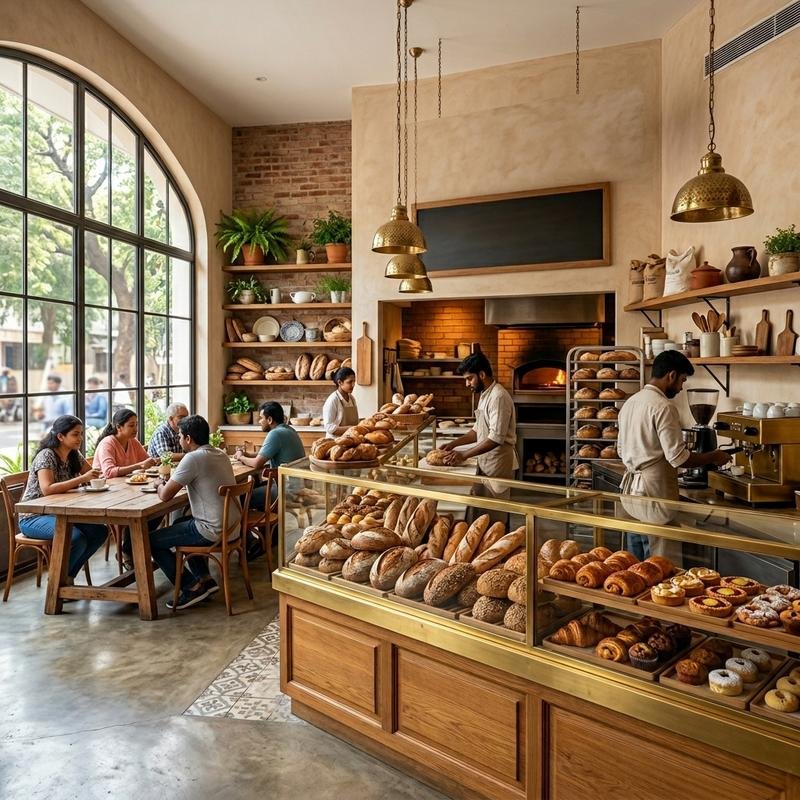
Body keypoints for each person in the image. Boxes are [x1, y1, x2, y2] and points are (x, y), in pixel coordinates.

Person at [617, 350, 731, 562]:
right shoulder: (664, 407)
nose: (681, 388)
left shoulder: (630, 403)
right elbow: (678, 458)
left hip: (631, 494)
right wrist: (713, 456)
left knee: (634, 566)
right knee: (658, 566)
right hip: (655, 494)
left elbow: (621, 451)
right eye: (682, 380)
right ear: (671, 375)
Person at [150, 414, 238, 610]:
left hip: (213, 530)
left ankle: (190, 587)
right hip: (233, 527)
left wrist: (158, 484)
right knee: (177, 524)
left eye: (180, 436)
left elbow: (165, 496)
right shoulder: (220, 454)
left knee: (150, 540)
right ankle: (204, 580)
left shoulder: (193, 458)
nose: (179, 440)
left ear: (188, 439)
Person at [18, 415, 107, 583]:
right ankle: (58, 581)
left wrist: (96, 477)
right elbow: (47, 489)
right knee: (76, 538)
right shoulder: (46, 455)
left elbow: (92, 474)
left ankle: (65, 576)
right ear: (60, 436)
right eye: (75, 434)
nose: (80, 438)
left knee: (99, 532)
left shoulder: (74, 454)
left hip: (60, 513)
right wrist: (82, 479)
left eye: (81, 433)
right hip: (33, 517)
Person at [440, 352, 518, 486]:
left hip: (498, 464)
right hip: (486, 461)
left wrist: (464, 455)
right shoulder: (484, 394)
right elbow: (477, 430)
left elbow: (496, 438)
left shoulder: (498, 397)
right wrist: (454, 444)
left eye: (469, 378)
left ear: (482, 375)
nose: (466, 384)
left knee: (496, 506)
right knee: (484, 504)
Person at [234, 401, 304, 505]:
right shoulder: (289, 430)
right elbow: (265, 454)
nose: (259, 421)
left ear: (270, 420)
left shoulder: (275, 434)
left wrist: (240, 457)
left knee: (240, 497)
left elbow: (256, 463)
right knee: (255, 486)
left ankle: (258, 520)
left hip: (286, 491)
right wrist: (247, 455)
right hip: (299, 488)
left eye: (261, 418)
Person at [92, 408, 158, 478]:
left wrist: (156, 461)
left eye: (136, 425)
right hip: (106, 486)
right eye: (131, 425)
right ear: (118, 427)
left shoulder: (133, 441)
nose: (136, 429)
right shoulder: (107, 443)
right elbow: (109, 472)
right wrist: (139, 465)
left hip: (124, 485)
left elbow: (147, 461)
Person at [322, 366, 359, 437]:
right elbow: (329, 428)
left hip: (349, 440)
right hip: (335, 442)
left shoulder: (352, 398)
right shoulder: (332, 400)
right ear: (339, 382)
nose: (353, 385)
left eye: (354, 381)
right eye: (350, 382)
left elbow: (355, 422)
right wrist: (350, 428)